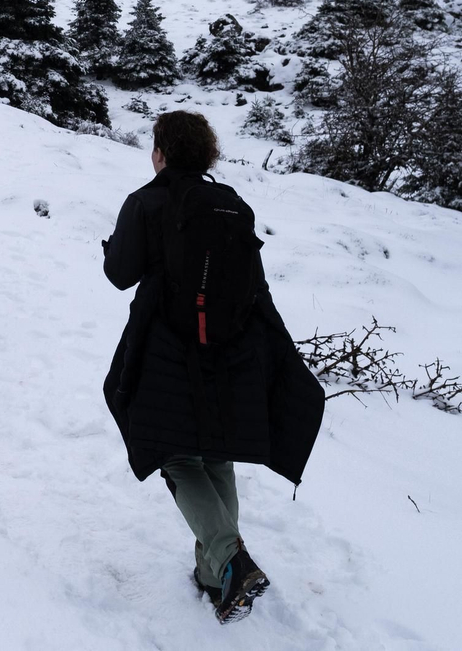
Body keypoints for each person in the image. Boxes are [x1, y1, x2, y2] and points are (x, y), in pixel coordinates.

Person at [101, 111, 323, 624]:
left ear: (161, 153)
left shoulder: (146, 201)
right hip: (230, 349)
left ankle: (229, 558)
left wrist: (116, 249)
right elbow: (253, 282)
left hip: (165, 348)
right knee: (216, 454)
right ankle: (212, 574)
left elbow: (120, 274)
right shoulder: (232, 204)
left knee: (175, 455)